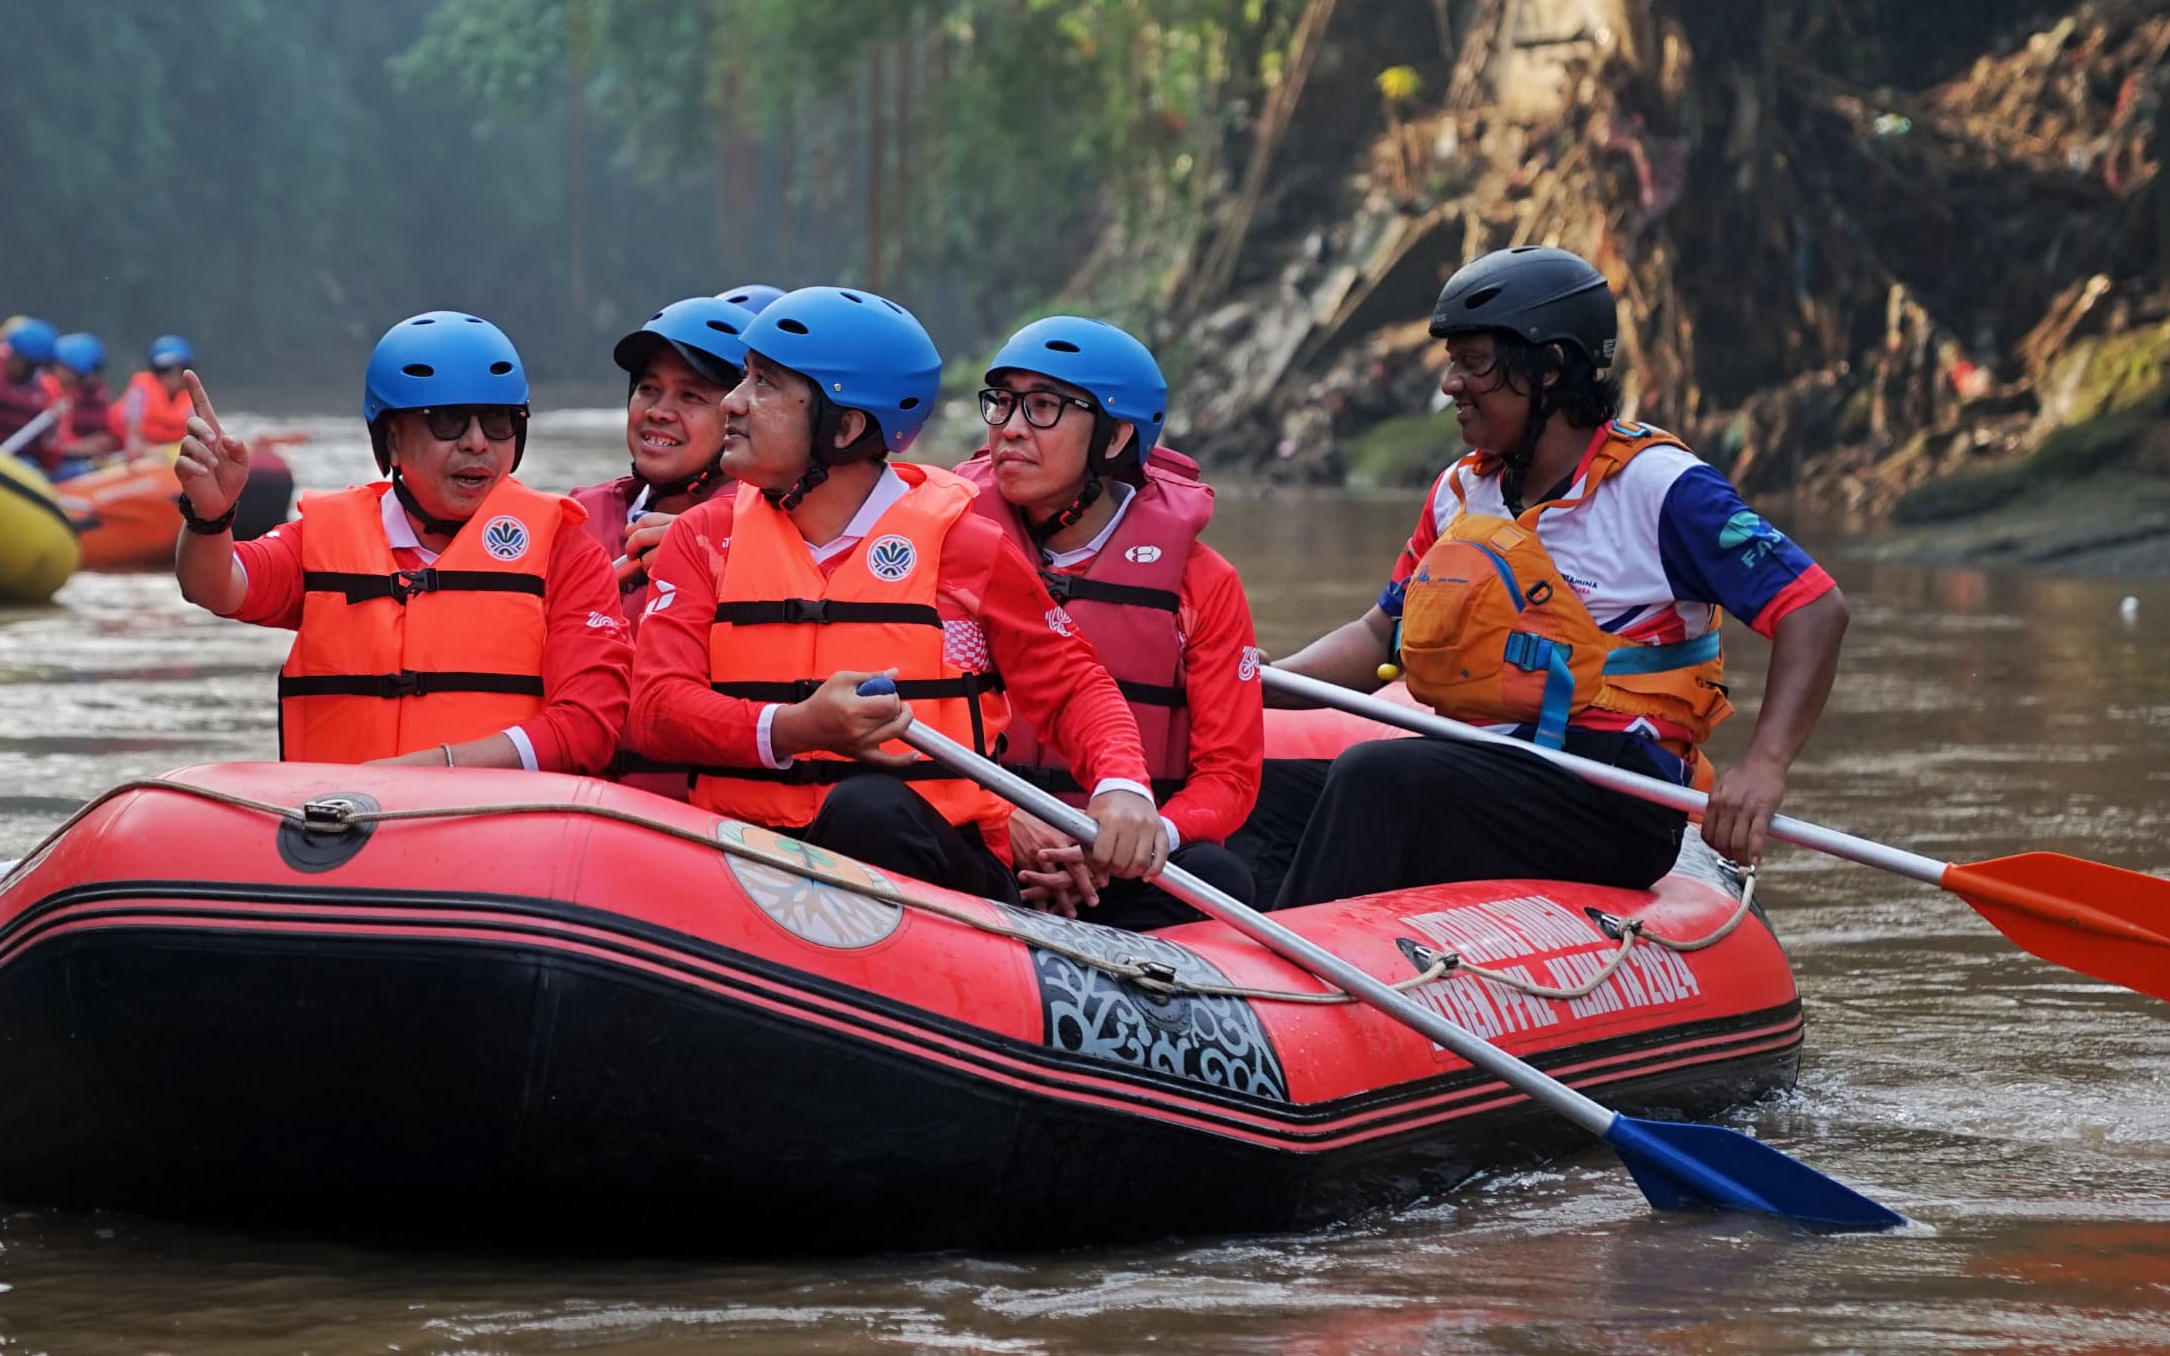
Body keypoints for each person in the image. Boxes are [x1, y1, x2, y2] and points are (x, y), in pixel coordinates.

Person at [1267, 245, 1849, 904]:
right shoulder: (1459, 492)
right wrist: (1260, 681)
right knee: (1263, 793)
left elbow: (1814, 608)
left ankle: (1282, 961)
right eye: (1452, 363)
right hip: (1487, 766)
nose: (1451, 385)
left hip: (1614, 795)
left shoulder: (1661, 488)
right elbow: (1381, 635)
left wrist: (1764, 766)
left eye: (1474, 363)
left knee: (1374, 776)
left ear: (1549, 368)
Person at [624, 286, 1166, 907]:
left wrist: (1122, 786)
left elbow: (1073, 687)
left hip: (932, 863)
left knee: (868, 809)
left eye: (764, 383)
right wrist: (795, 728)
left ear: (846, 426)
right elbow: (657, 710)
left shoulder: (967, 546)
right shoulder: (704, 536)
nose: (733, 402)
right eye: (745, 377)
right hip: (749, 855)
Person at [170, 313, 626, 772]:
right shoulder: (322, 538)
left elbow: (586, 728)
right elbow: (214, 586)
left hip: (498, 814)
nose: (476, 442)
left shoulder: (567, 553)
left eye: (497, 420)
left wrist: (436, 768)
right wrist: (209, 518)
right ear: (391, 440)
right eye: (446, 420)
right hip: (342, 814)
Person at [965, 317, 1268, 925]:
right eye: (1002, 403)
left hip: (1115, 865)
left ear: (1115, 438)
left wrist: (1130, 839)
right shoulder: (944, 541)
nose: (1011, 428)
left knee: (1219, 875)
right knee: (878, 813)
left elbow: (1229, 776)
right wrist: (997, 815)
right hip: (979, 836)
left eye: (1043, 407)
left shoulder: (1203, 583)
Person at [566, 295, 751, 598]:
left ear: (741, 415)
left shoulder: (767, 535)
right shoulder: (577, 518)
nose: (658, 411)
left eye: (690, 395)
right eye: (648, 388)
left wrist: (705, 550)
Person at [0, 320, 62, 450]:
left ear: (32, 365)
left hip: (17, 458)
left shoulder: (47, 393)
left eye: (16, 358)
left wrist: (51, 429)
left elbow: (48, 451)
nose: (9, 359)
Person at [114, 336, 201, 453]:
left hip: (172, 452)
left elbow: (196, 431)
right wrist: (137, 443)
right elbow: (131, 425)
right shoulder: (141, 388)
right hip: (140, 451)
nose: (173, 377)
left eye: (179, 371)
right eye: (165, 370)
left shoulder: (190, 397)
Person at [50, 330, 123, 468]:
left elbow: (112, 430)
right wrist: (80, 447)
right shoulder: (50, 390)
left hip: (84, 460)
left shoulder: (96, 393)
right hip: (56, 463)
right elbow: (52, 442)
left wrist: (108, 441)